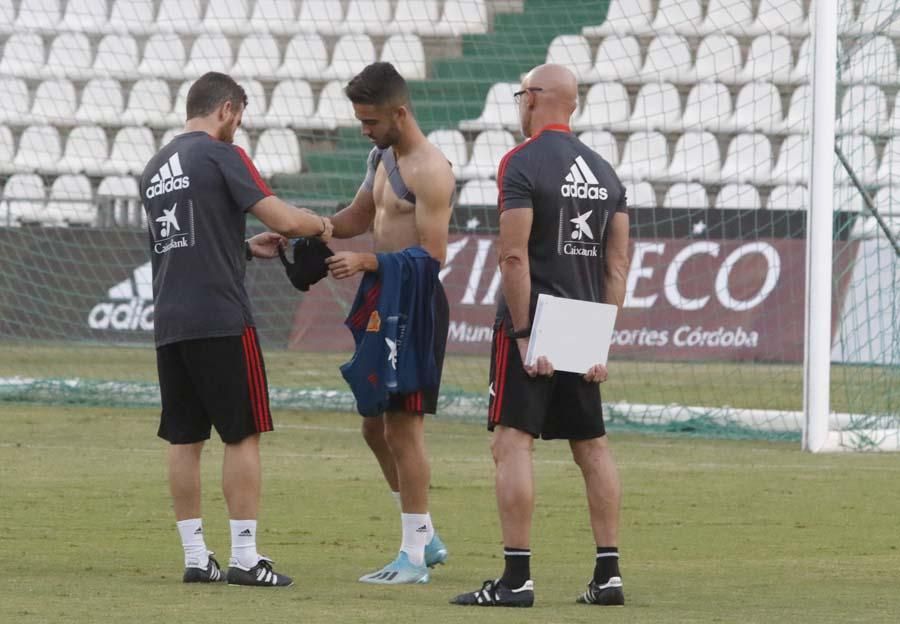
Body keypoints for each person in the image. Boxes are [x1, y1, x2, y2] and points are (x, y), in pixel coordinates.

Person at [140, 71, 333, 587]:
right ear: (226, 109)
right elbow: (287, 220)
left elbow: (178, 247)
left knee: (184, 438)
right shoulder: (222, 155)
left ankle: (196, 558)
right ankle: (246, 558)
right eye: (238, 119)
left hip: (170, 321)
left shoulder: (154, 167)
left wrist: (246, 248)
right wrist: (321, 225)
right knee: (242, 434)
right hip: (222, 319)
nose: (237, 129)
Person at [450, 64, 630, 607]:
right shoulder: (607, 174)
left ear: (533, 99)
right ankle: (609, 576)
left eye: (519, 94)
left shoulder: (520, 163)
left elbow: (512, 254)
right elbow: (617, 267)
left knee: (511, 443)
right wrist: (600, 340)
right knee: (593, 448)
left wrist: (526, 334)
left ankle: (517, 579)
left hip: (536, 320)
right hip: (584, 320)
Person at [325, 62, 455, 584]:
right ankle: (424, 534)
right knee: (373, 426)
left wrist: (367, 262)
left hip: (413, 302)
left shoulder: (430, 168)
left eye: (371, 120)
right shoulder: (381, 156)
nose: (365, 130)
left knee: (403, 427)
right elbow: (358, 217)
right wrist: (309, 231)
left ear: (399, 112)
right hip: (381, 295)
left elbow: (434, 255)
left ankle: (414, 556)